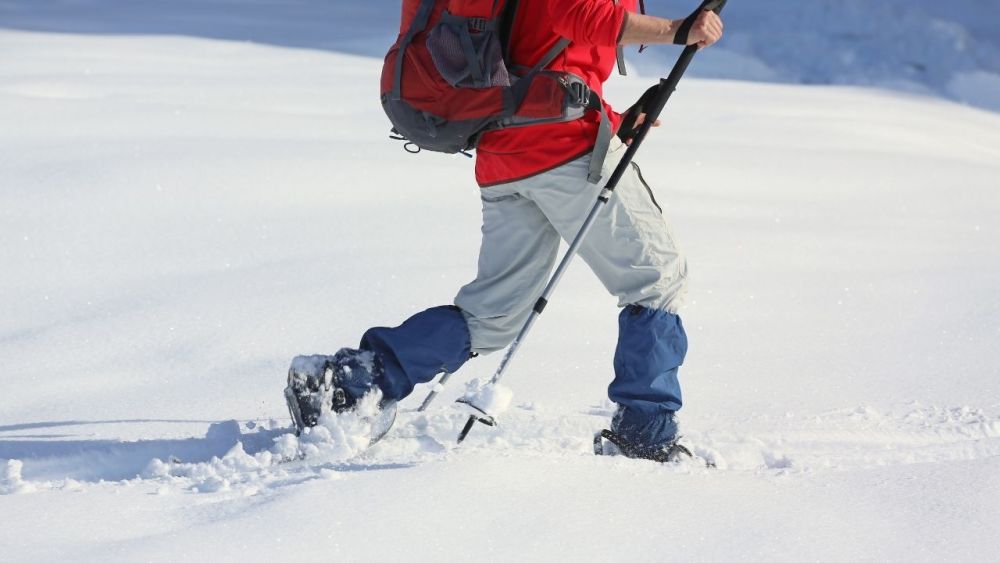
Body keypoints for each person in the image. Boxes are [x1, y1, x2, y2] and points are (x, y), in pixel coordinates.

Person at [286, 0, 724, 462]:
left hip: (505, 155)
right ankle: (644, 432)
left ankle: (353, 381)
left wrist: (614, 121)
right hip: (563, 149)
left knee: (492, 314)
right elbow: (579, 14)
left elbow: (532, 60)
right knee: (656, 279)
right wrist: (679, 30)